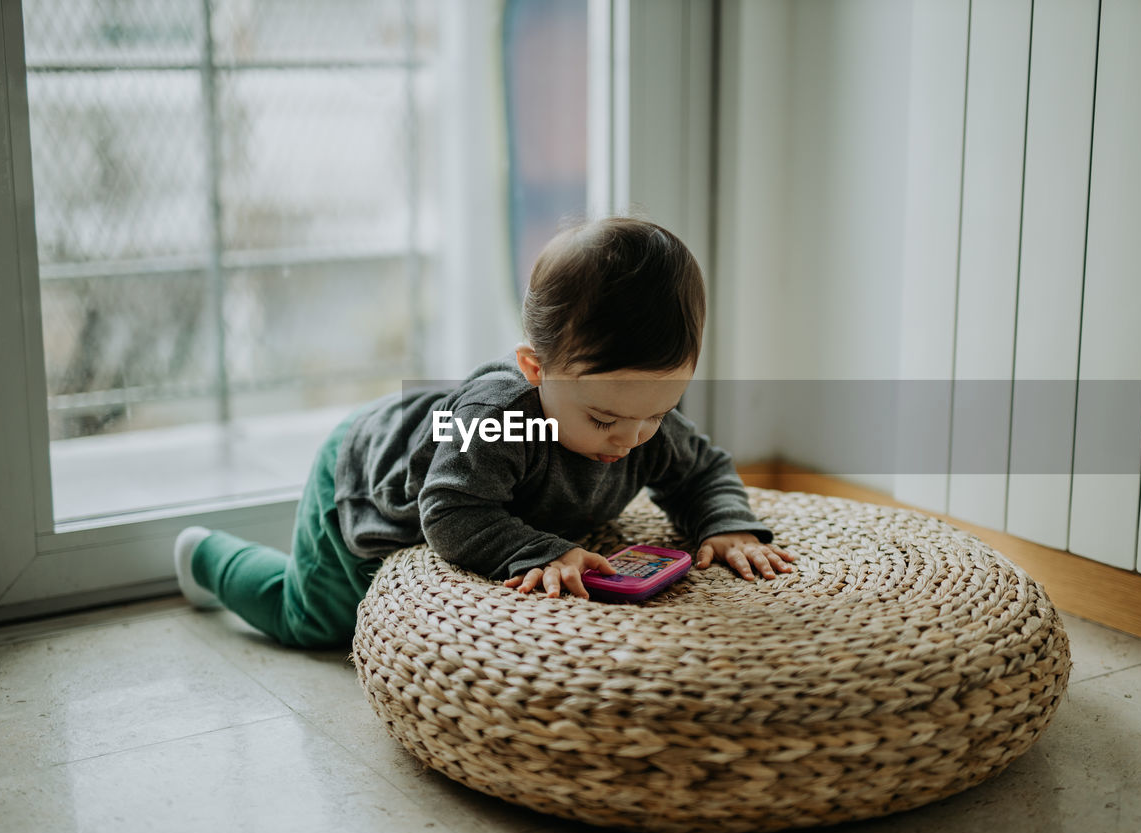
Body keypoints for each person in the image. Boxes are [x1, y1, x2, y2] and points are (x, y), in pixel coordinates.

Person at [174, 216, 795, 648]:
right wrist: (541, 550)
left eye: (659, 411)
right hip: (367, 469)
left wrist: (726, 522)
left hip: (432, 449)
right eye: (604, 420)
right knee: (313, 623)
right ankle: (205, 555)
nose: (632, 439)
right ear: (535, 369)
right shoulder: (499, 417)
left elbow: (702, 468)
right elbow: (448, 509)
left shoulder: (637, 419)